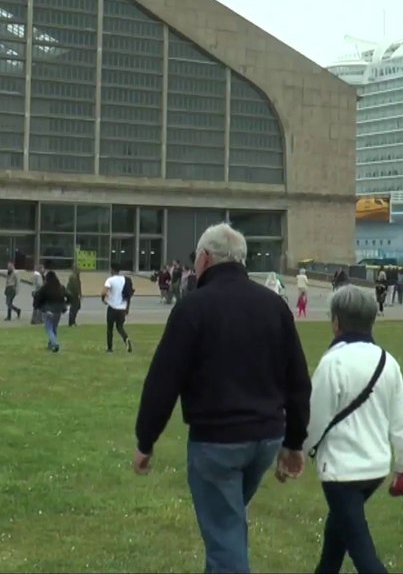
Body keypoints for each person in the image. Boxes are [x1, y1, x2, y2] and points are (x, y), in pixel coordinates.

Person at [133, 223, 312, 574]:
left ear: (204, 258)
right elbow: (298, 380)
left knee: (224, 532)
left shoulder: (193, 308)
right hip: (266, 437)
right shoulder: (273, 306)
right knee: (228, 523)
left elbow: (163, 381)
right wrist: (293, 441)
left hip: (217, 441)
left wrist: (145, 440)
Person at [302, 285, 403, 574]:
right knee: (335, 537)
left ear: (336, 322)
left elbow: (315, 417)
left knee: (364, 555)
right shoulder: (387, 361)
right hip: (375, 468)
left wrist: (299, 452)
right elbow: (401, 421)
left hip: (341, 471)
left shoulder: (333, 362)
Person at [101, 264, 133, 353]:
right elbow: (129, 295)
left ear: (112, 270)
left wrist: (103, 299)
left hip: (112, 307)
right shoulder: (125, 279)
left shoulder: (110, 280)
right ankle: (126, 338)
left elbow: (104, 292)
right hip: (122, 308)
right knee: (120, 327)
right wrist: (127, 308)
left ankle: (109, 347)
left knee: (110, 328)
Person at [34, 270, 68, 353]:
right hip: (58, 311)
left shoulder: (45, 288)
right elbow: (68, 295)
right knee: (54, 328)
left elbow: (38, 297)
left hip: (48, 310)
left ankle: (54, 343)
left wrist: (39, 306)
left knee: (49, 328)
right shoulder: (60, 287)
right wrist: (65, 305)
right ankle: (51, 344)